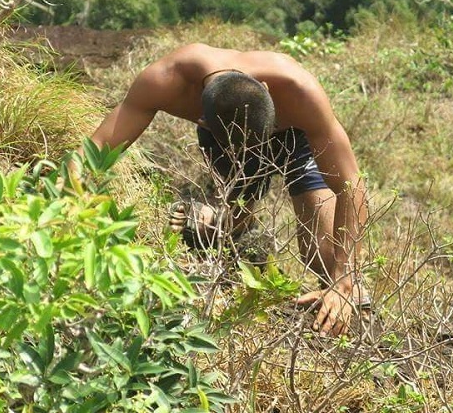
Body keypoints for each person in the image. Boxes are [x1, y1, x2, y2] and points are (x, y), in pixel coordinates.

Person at [85, 42, 368, 337]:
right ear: (200, 119)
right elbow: (95, 150)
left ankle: (353, 310)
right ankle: (216, 223)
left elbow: (351, 184)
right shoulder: (165, 79)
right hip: (225, 138)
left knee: (321, 252)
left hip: (294, 135)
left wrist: (344, 281)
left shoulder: (299, 91)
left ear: (267, 90)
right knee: (230, 224)